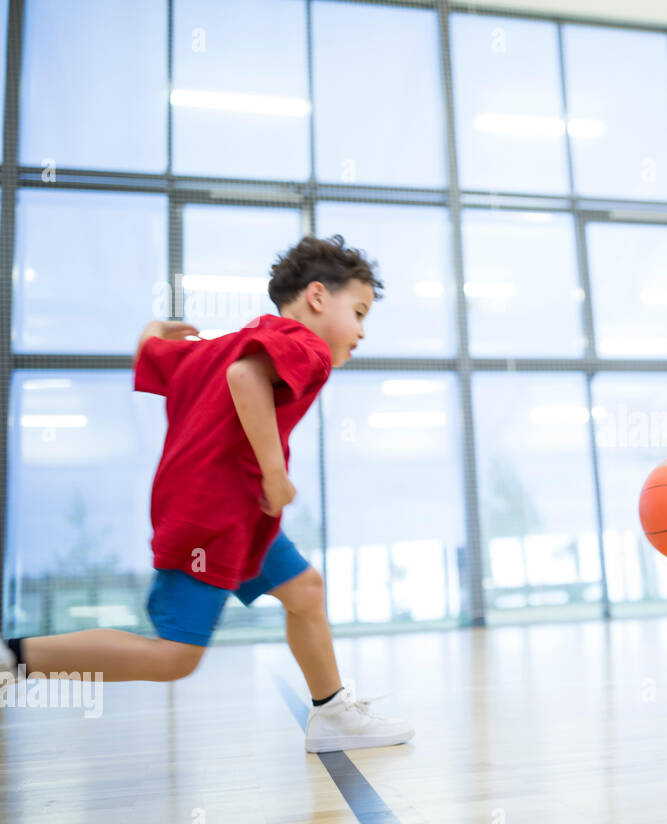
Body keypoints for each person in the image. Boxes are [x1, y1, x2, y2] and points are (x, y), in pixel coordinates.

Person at [1, 234, 413, 754]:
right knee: (175, 656)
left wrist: (151, 334)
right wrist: (274, 475)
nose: (361, 331)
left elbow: (158, 354)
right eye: (358, 312)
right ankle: (14, 658)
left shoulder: (225, 342)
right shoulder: (307, 347)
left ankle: (331, 713)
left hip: (235, 518)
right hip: (215, 519)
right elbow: (246, 378)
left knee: (305, 591)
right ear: (316, 297)